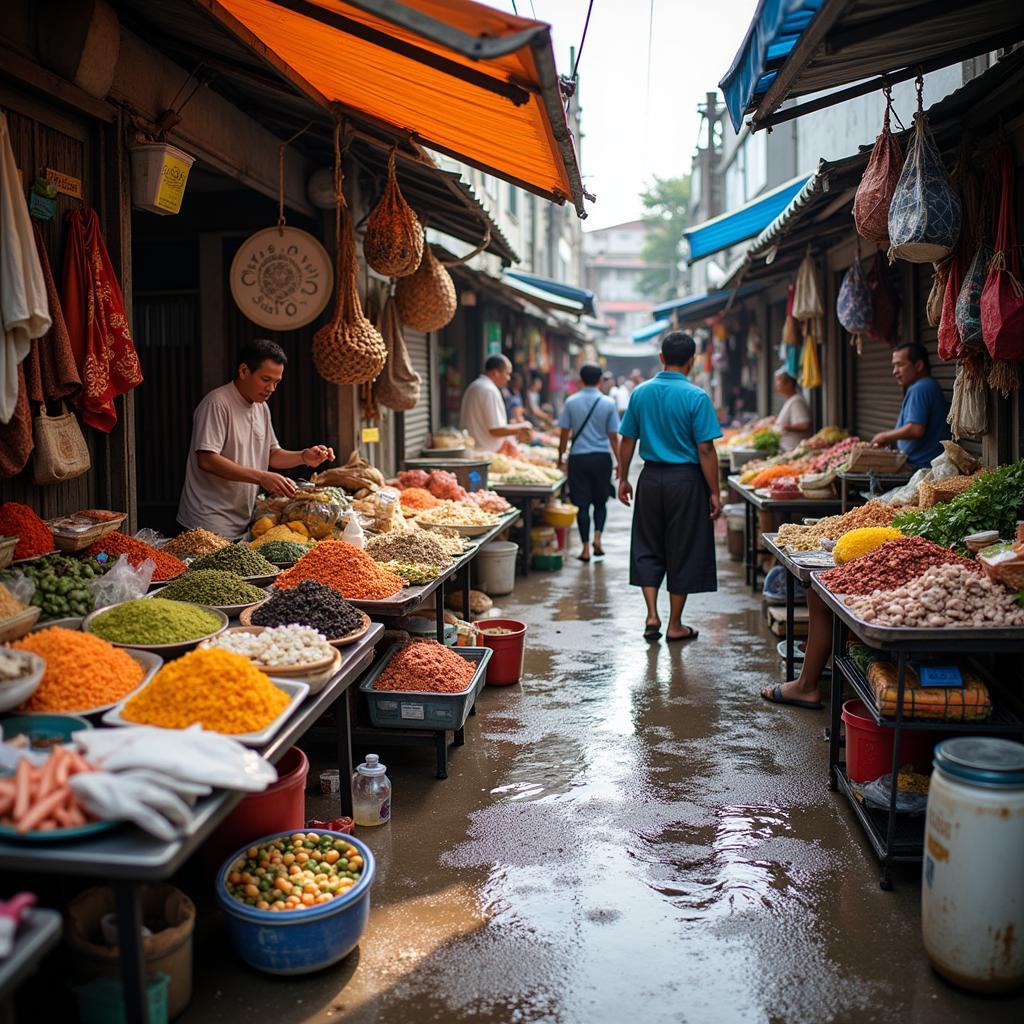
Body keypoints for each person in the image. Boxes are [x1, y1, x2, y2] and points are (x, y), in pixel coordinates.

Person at [617, 332, 723, 642]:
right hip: (687, 482)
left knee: (647, 545)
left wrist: (623, 477)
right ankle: (675, 625)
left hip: (650, 479)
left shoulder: (640, 393)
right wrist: (714, 491)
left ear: (661, 358)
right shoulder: (697, 397)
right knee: (684, 548)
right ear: (692, 361)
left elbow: (627, 441)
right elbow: (705, 450)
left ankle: (652, 615)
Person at [177, 339, 334, 541]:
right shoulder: (217, 403)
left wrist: (304, 457)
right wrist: (262, 477)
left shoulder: (261, 407)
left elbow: (272, 454)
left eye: (276, 382)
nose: (271, 388)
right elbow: (207, 460)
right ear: (244, 371)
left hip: (241, 522)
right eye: (265, 379)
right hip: (206, 522)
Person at [557, 364, 620, 562]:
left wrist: (561, 457)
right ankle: (598, 539)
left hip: (579, 458)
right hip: (602, 458)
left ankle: (584, 549)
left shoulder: (571, 402)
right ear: (600, 381)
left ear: (580, 381)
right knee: (600, 502)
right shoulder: (608, 403)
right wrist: (620, 463)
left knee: (582, 504)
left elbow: (564, 434)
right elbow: (613, 437)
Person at [870, 342, 950, 468]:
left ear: (918, 365)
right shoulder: (923, 386)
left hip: (922, 467)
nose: (895, 371)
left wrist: (884, 436)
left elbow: (915, 429)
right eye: (894, 366)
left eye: (900, 365)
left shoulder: (921, 388)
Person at [461, 354, 532, 452]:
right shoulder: (489, 390)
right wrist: (522, 426)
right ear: (495, 373)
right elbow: (495, 430)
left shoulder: (477, 385)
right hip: (484, 453)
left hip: (477, 450)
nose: (508, 378)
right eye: (507, 374)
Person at [774, 370, 813, 452]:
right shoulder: (790, 400)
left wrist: (784, 427)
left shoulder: (796, 401)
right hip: (787, 449)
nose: (776, 384)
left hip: (793, 449)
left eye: (779, 380)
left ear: (789, 383)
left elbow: (805, 425)